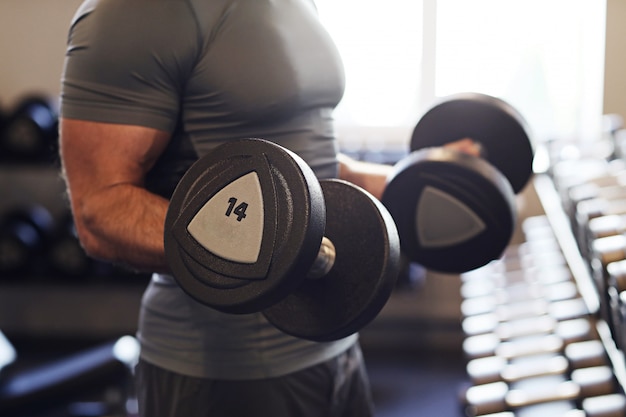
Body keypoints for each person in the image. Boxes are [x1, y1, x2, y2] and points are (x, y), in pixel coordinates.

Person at [59, 0, 398, 416]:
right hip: (226, 371)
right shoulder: (134, 11)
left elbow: (308, 169)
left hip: (335, 339)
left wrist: (424, 176)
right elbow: (99, 210)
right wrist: (270, 256)